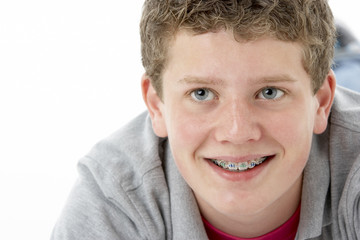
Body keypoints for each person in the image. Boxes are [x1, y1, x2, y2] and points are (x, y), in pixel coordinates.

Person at [51, 0, 360, 239]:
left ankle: (342, 54)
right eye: (201, 93)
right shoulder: (114, 199)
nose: (237, 132)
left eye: (269, 92)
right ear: (156, 106)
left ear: (321, 102)